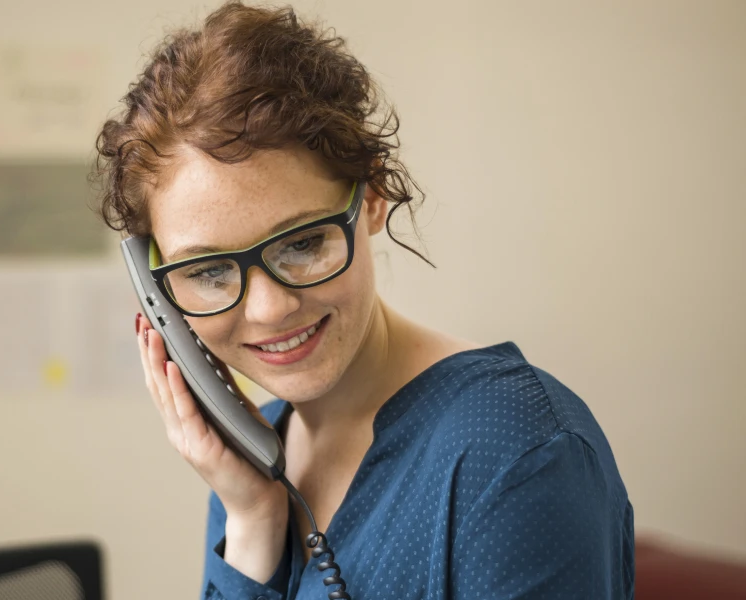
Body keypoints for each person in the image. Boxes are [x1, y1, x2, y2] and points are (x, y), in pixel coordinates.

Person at [91, 2, 635, 598]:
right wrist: (251, 519)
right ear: (159, 291)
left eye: (302, 242)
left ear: (372, 196)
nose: (270, 309)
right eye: (209, 272)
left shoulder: (517, 449)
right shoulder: (249, 460)